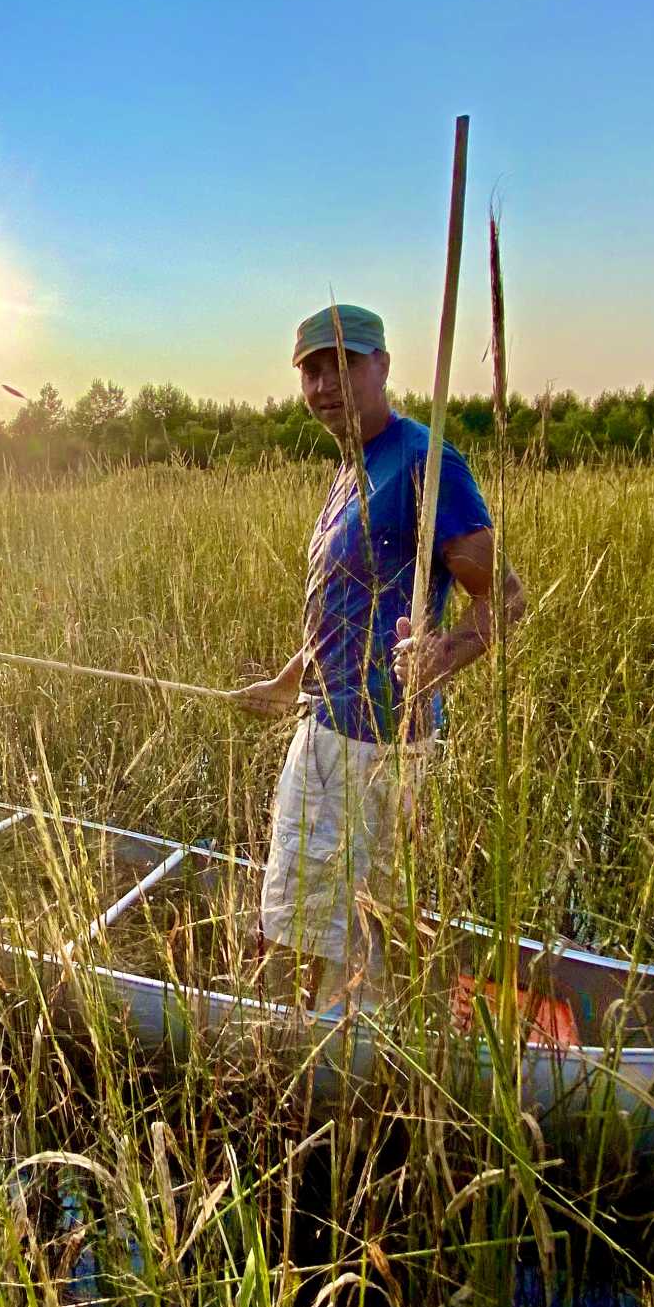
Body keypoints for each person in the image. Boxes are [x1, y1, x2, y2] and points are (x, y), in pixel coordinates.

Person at [232, 304, 524, 1008]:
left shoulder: (425, 461)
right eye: (311, 371)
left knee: (342, 932)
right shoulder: (352, 469)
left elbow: (507, 599)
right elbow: (345, 609)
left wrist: (445, 655)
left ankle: (338, 1046)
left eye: (343, 364)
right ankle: (331, 1030)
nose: (325, 385)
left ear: (383, 365)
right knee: (322, 922)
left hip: (374, 749)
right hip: (326, 732)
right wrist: (288, 681)